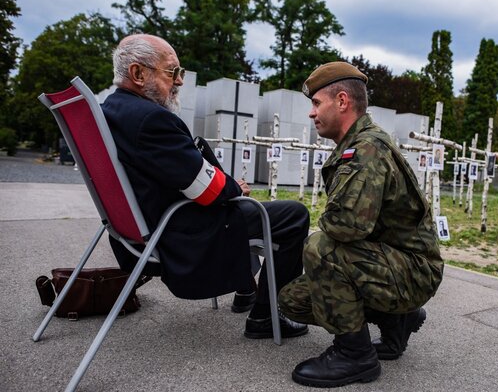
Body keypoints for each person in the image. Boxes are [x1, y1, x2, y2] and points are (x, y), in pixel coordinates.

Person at [101, 34, 310, 339]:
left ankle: (247, 291)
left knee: (239, 204)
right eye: (172, 72)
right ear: (138, 73)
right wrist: (235, 188)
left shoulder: (113, 108)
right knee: (294, 214)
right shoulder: (150, 119)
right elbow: (208, 191)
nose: (179, 81)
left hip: (142, 225)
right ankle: (266, 316)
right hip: (181, 230)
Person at [278, 62, 444, 388]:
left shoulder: (366, 148)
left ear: (342, 101)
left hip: (412, 270)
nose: (312, 114)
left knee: (321, 250)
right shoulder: (357, 144)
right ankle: (397, 320)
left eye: (316, 103)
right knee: (293, 300)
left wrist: (321, 227)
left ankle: (354, 356)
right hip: (390, 261)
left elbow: (345, 227)